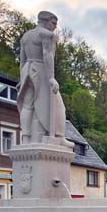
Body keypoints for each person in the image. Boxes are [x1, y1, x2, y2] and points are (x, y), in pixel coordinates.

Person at [17, 11, 72, 147]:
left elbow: (22, 60)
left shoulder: (26, 36)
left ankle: (26, 138)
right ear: (45, 21)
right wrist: (51, 78)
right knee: (58, 105)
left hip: (28, 70)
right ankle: (59, 136)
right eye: (53, 23)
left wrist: (22, 77)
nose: (55, 27)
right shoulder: (46, 35)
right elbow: (47, 55)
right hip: (41, 70)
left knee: (27, 105)